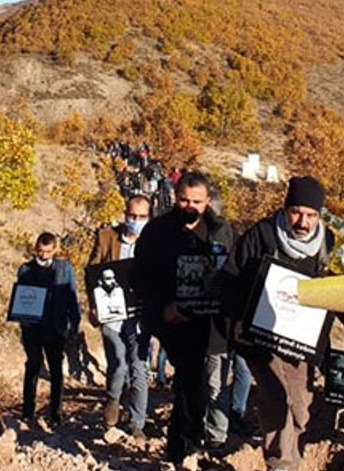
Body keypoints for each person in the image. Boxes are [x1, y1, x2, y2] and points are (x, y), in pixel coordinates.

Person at [221, 176, 332, 471]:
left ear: (319, 216)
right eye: (296, 212)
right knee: (274, 397)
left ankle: (292, 458)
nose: (302, 221)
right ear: (285, 209)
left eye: (311, 215)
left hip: (301, 339)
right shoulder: (261, 235)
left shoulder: (328, 241)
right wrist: (236, 319)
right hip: (258, 335)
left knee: (300, 404)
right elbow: (232, 277)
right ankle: (279, 463)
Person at [130, 172, 236, 466]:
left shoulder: (222, 231)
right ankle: (183, 448)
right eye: (183, 200)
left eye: (197, 201)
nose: (189, 206)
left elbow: (234, 272)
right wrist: (163, 307)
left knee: (199, 383)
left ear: (208, 201)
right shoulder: (156, 231)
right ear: (174, 198)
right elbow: (140, 277)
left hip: (211, 321)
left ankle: (188, 443)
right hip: (172, 320)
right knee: (192, 379)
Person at [87, 195, 153, 440]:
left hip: (140, 318)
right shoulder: (107, 238)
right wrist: (94, 306)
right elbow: (92, 272)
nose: (135, 221)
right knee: (118, 365)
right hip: (112, 316)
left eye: (141, 217)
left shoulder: (154, 243)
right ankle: (113, 399)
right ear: (125, 214)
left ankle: (137, 424)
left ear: (149, 218)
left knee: (139, 369)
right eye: (132, 216)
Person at [17, 232, 80, 427]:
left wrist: (73, 326)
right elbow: (21, 297)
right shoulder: (25, 269)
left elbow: (72, 297)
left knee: (56, 370)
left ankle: (56, 413)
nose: (43, 255)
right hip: (33, 327)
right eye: (40, 251)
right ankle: (28, 411)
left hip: (56, 327)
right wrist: (22, 318)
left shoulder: (64, 268)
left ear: (54, 250)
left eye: (47, 251)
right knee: (33, 365)